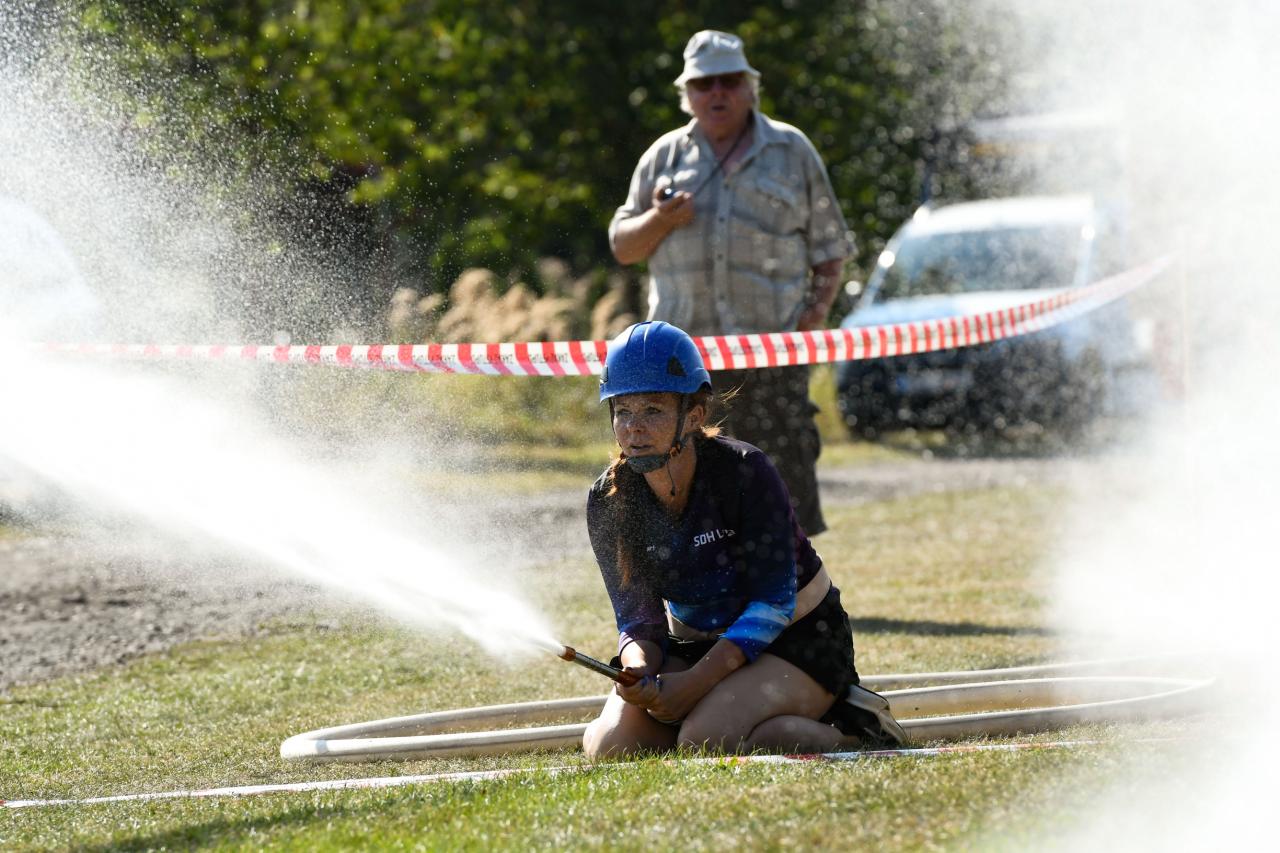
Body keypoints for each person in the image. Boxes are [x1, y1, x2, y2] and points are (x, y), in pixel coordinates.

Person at [581, 321, 903, 759]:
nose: (634, 428)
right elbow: (639, 622)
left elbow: (773, 604)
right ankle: (758, 724)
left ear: (694, 415)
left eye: (653, 410)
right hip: (696, 645)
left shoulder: (746, 471)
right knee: (611, 747)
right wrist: (637, 670)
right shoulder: (607, 500)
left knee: (704, 739)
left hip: (795, 639)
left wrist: (694, 684)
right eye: (622, 411)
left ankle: (856, 727)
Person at [608, 30, 851, 535]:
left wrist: (812, 317)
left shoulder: (792, 150)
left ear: (749, 86)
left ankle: (790, 580)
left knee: (782, 491)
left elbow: (831, 249)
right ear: (687, 93)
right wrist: (659, 220)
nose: (717, 92)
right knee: (685, 498)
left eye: (729, 80)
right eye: (704, 83)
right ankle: (701, 583)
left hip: (772, 354)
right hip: (681, 365)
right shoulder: (663, 157)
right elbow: (623, 246)